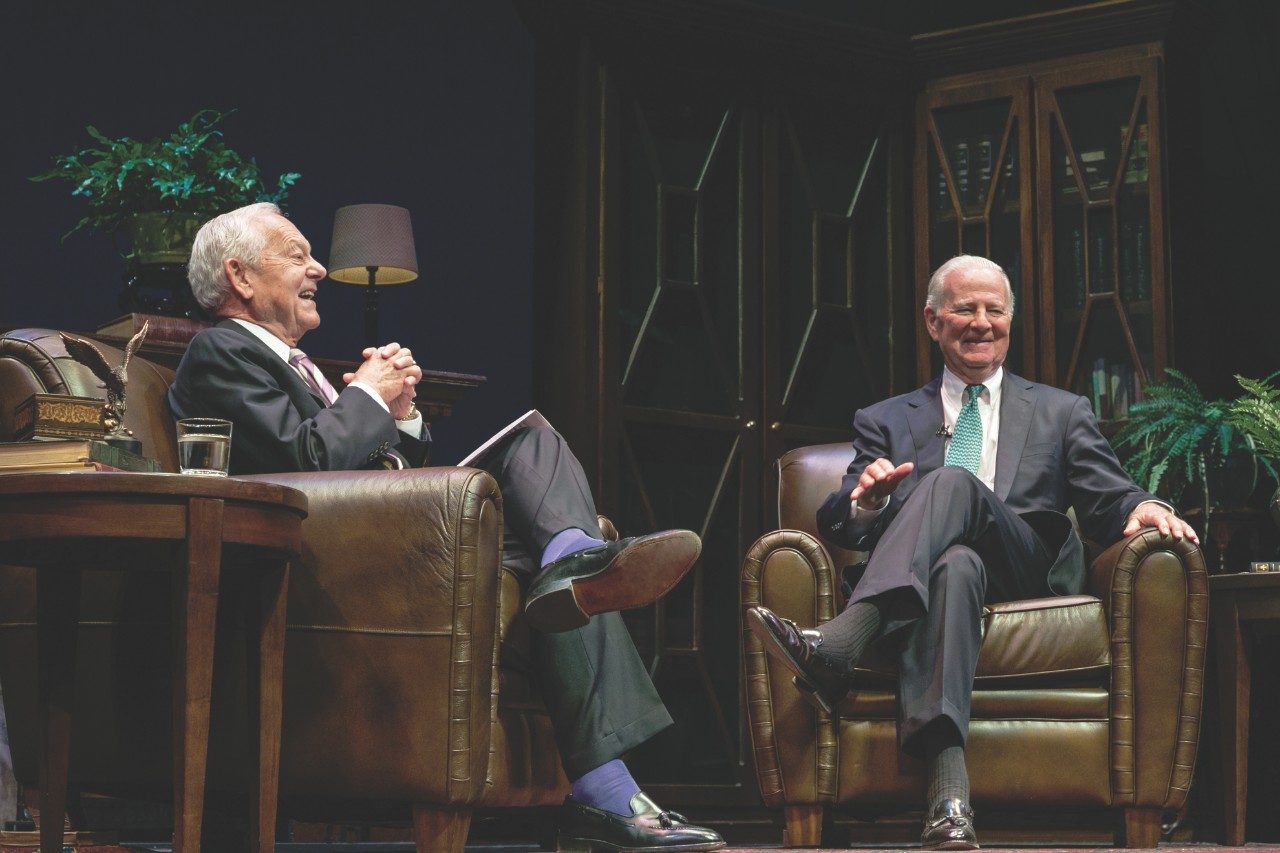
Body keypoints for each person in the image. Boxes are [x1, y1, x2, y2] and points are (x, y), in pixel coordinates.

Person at [167, 203, 725, 852]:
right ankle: (605, 785)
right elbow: (308, 460)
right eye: (297, 255)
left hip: (377, 543)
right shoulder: (222, 351)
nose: (318, 268)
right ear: (239, 276)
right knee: (549, 528)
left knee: (536, 453)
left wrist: (401, 415)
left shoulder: (294, 363)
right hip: (323, 564)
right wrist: (368, 395)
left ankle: (574, 562)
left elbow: (373, 470)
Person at [746, 254, 1198, 849]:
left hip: (1023, 567)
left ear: (1010, 320)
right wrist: (870, 502)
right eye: (965, 309)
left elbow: (1108, 495)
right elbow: (841, 519)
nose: (982, 322)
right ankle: (950, 802)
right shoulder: (885, 419)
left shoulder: (1061, 411)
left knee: (951, 482)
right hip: (935, 579)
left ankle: (843, 641)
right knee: (955, 566)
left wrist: (1146, 505)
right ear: (933, 322)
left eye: (995, 310)